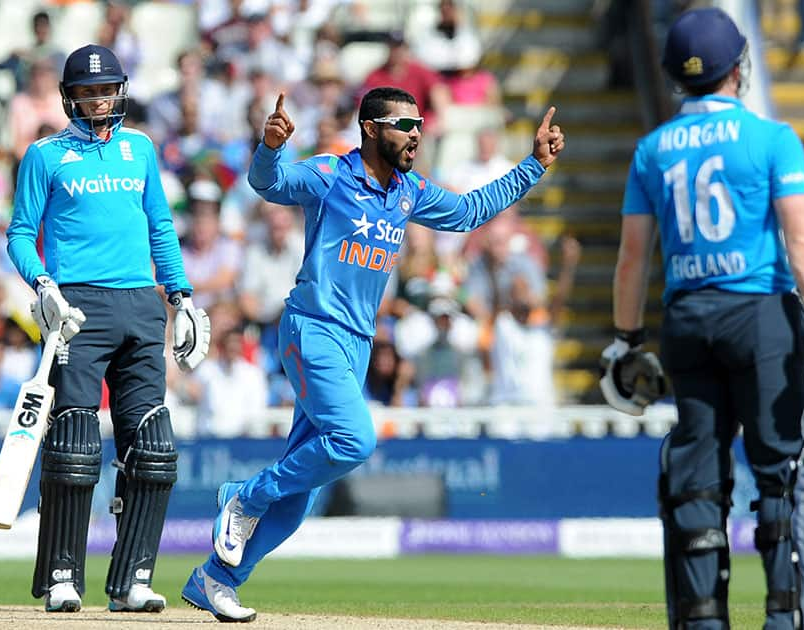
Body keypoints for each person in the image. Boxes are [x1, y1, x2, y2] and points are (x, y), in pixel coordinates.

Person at [181, 86, 564, 622]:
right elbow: (267, 183)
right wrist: (269, 148)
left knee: (299, 501)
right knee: (355, 439)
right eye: (404, 125)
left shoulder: (408, 191)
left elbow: (471, 210)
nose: (415, 135)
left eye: (419, 127)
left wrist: (534, 165)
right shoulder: (332, 175)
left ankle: (216, 579)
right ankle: (243, 495)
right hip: (311, 329)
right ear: (370, 129)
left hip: (356, 345)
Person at [600, 9, 804, 630]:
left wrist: (625, 343)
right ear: (739, 68)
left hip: (686, 318)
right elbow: (800, 240)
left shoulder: (652, 149)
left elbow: (634, 257)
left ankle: (702, 619)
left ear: (675, 78)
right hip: (762, 316)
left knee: (696, 475)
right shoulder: (772, 139)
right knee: (783, 472)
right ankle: (784, 616)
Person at [6, 44, 212, 614]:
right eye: (89, 91)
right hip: (77, 309)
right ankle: (62, 575)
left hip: (142, 305)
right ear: (70, 96)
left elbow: (161, 226)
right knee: (73, 443)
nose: (100, 99)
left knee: (153, 445)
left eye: (107, 89)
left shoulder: (140, 148)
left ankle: (132, 580)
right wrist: (44, 285)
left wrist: (182, 296)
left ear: (120, 90)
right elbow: (20, 235)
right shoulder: (45, 155)